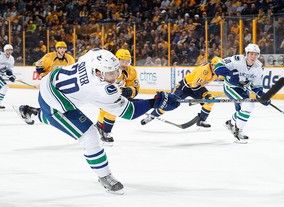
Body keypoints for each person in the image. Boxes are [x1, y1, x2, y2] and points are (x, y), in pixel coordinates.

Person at [18, 49, 180, 194]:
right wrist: (155, 102)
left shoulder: (94, 57)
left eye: (116, 71)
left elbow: (87, 56)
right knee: (90, 136)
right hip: (54, 103)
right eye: (110, 74)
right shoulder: (101, 89)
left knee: (65, 123)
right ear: (98, 73)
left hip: (53, 83)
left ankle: (30, 111)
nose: (116, 76)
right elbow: (129, 112)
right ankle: (105, 176)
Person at [141, 56, 222, 128]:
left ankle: (201, 120)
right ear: (211, 65)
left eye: (219, 66)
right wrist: (203, 96)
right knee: (169, 103)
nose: (217, 68)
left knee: (210, 101)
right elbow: (195, 86)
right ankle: (151, 116)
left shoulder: (218, 71)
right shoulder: (204, 71)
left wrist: (205, 98)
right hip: (184, 87)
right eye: (215, 66)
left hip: (197, 86)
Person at [214, 43, 270, 143]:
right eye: (251, 54)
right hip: (231, 86)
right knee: (248, 105)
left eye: (256, 54)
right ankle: (238, 131)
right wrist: (230, 73)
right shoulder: (236, 60)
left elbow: (256, 86)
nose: (253, 56)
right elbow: (217, 67)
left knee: (243, 109)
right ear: (246, 54)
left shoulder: (259, 67)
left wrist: (261, 95)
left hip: (243, 89)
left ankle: (230, 123)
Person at [95, 49, 140, 144]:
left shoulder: (131, 71)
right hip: (103, 93)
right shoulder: (108, 69)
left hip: (115, 94)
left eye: (127, 61)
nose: (125, 63)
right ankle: (106, 131)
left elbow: (135, 87)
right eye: (123, 61)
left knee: (107, 110)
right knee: (111, 110)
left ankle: (100, 126)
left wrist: (130, 91)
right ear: (116, 60)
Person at [0, 44, 16, 109]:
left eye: (11, 50)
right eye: (8, 50)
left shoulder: (11, 59)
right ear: (4, 50)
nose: (9, 51)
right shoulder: (0, 56)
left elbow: (8, 69)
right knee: (4, 87)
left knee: (2, 88)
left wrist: (11, 75)